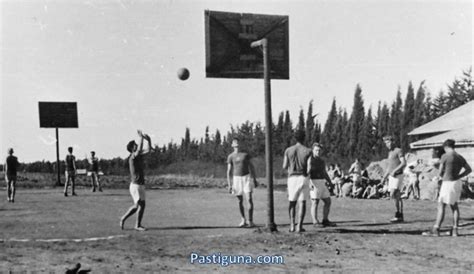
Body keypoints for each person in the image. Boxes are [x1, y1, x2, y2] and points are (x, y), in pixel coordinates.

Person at [423, 139, 471, 237]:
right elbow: (469, 169)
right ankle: (455, 230)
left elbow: (440, 172)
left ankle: (436, 228)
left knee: (441, 205)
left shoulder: (445, 156)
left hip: (447, 182)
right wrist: (459, 175)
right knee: (454, 206)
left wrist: (440, 173)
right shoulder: (459, 157)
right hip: (457, 182)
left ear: (446, 147)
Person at [120, 130, 153, 231]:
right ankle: (135, 224)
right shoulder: (133, 157)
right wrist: (141, 137)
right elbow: (139, 150)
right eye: (135, 145)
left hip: (140, 185)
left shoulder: (138, 155)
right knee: (138, 205)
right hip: (136, 186)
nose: (136, 145)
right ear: (132, 148)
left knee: (140, 206)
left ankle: (131, 222)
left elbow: (149, 150)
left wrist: (149, 140)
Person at [283, 130, 311, 233]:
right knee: (302, 202)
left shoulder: (288, 150)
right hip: (303, 177)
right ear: (304, 138)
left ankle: (291, 225)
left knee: (292, 202)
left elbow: (284, 165)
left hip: (292, 177)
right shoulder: (308, 151)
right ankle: (299, 225)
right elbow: (309, 167)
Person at [226, 139, 258, 228]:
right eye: (235, 142)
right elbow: (228, 171)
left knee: (249, 199)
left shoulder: (245, 155)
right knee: (239, 200)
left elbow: (252, 167)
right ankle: (243, 219)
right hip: (236, 179)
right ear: (232, 145)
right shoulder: (231, 156)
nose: (237, 143)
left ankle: (250, 221)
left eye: (238, 142)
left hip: (246, 177)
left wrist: (254, 179)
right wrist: (229, 184)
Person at [307, 143, 336, 227]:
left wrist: (330, 182)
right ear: (313, 150)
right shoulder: (310, 160)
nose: (318, 152)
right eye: (316, 150)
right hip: (313, 181)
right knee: (315, 202)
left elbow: (324, 172)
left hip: (321, 182)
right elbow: (307, 172)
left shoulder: (321, 161)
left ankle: (325, 220)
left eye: (319, 150)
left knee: (327, 201)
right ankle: (315, 221)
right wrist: (309, 183)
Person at [381, 136, 406, 223]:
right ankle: (399, 214)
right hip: (391, 176)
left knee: (393, 193)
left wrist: (395, 171)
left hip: (398, 175)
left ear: (393, 142)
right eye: (386, 143)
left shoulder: (398, 150)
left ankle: (399, 214)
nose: (387, 144)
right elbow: (389, 166)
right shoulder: (390, 153)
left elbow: (403, 163)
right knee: (395, 195)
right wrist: (384, 177)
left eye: (388, 142)